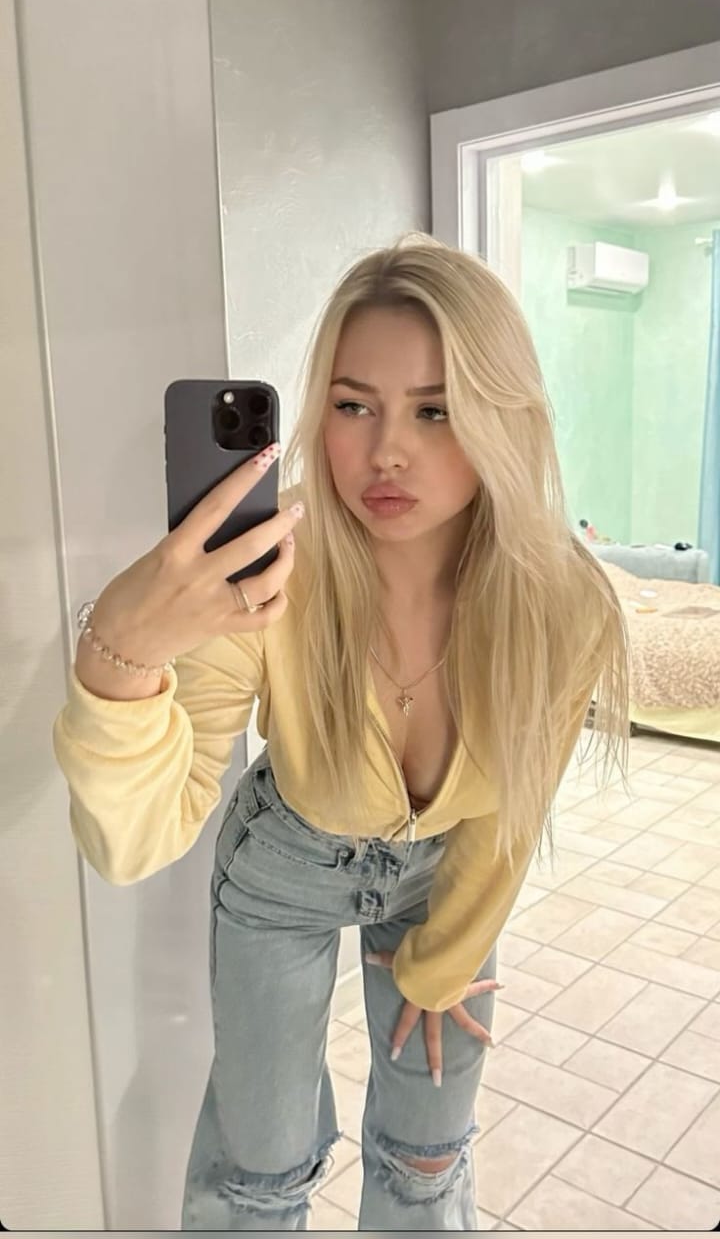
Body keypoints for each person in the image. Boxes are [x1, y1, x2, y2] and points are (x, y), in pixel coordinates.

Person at [52, 234, 629, 1231]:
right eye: (354, 405)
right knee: (261, 1168)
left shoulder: (560, 600)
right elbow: (133, 842)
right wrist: (122, 661)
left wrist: (445, 963)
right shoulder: (269, 567)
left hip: (446, 873)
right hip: (285, 867)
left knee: (428, 1155)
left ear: (503, 414)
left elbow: (512, 811)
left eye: (435, 409)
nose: (386, 450)